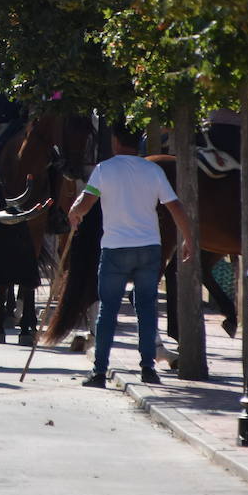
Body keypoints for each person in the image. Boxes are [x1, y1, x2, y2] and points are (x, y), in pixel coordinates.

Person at [67, 122, 195, 387]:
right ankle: (148, 368)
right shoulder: (153, 170)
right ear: (138, 142)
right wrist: (189, 239)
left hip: (115, 248)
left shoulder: (104, 170)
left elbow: (85, 203)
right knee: (147, 310)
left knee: (108, 311)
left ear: (115, 141)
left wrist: (74, 212)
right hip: (149, 248)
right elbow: (175, 206)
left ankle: (100, 371)